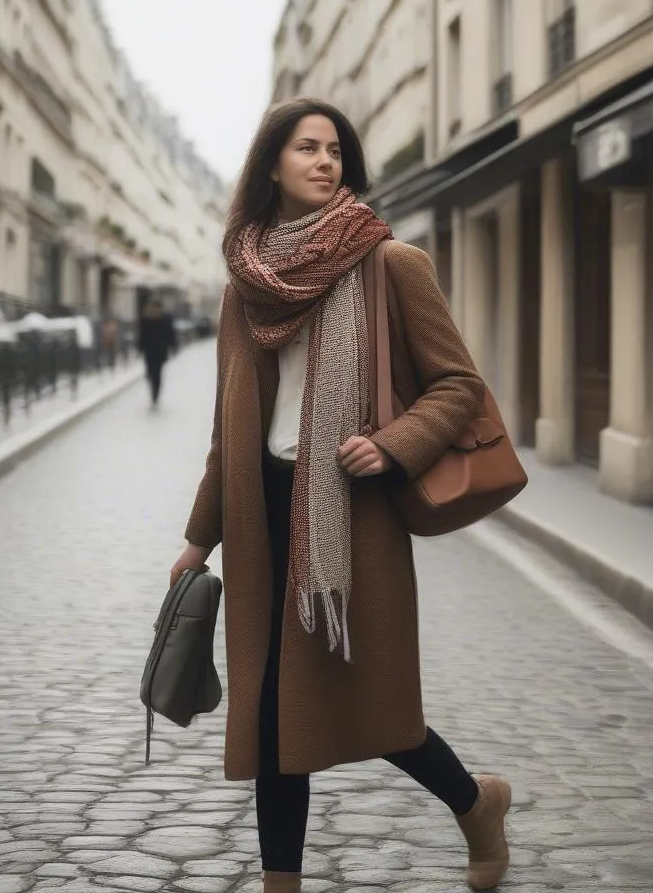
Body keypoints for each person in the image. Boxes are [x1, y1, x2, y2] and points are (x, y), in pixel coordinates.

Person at [168, 98, 511, 892]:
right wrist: (199, 538)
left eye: (334, 151)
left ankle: (476, 804)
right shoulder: (244, 287)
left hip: (351, 517)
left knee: (375, 707)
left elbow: (459, 386)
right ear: (272, 165)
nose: (325, 162)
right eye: (307, 148)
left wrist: (392, 444)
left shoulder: (391, 265)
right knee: (272, 714)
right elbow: (230, 432)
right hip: (265, 519)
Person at [138, 299, 176, 406]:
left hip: (160, 352)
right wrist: (140, 347)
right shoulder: (146, 320)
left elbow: (170, 334)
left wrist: (173, 346)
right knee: (150, 372)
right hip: (149, 352)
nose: (155, 311)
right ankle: (153, 389)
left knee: (158, 374)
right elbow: (142, 335)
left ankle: (156, 393)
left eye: (157, 309)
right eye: (153, 309)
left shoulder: (165, 320)